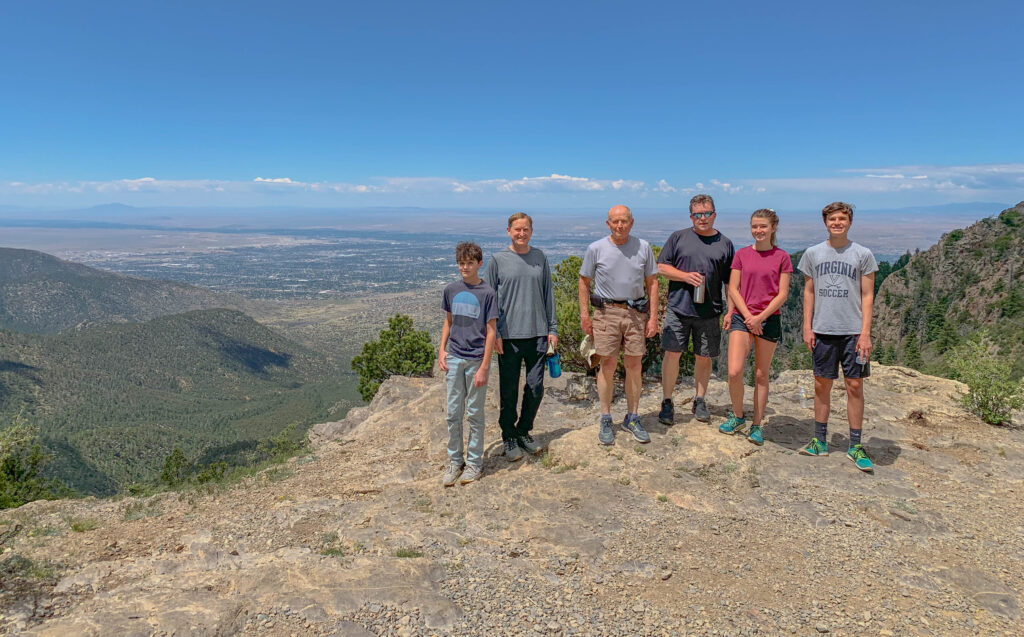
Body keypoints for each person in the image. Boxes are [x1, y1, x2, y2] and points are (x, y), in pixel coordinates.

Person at [797, 201, 876, 472]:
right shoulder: (813, 253)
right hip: (823, 329)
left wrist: (865, 333)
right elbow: (808, 291)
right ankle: (820, 440)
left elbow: (868, 295)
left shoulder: (863, 254)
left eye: (842, 218)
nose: (837, 223)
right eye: (833, 219)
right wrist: (807, 326)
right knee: (822, 384)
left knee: (854, 386)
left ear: (850, 222)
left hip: (853, 331)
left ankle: (855, 444)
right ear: (825, 222)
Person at [578, 205, 659, 445]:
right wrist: (585, 316)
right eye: (615, 221)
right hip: (606, 312)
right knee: (608, 364)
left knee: (634, 365)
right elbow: (584, 282)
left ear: (632, 223)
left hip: (636, 313)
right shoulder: (596, 248)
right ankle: (605, 417)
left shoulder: (643, 247)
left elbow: (652, 283)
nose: (620, 225)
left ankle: (632, 417)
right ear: (608, 224)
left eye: (624, 221)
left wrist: (653, 317)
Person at [485, 212, 558, 462]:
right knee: (508, 390)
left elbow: (549, 294)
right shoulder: (497, 260)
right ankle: (508, 435)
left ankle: (523, 431)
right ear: (508, 231)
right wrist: (493, 333)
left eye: (525, 229)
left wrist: (553, 329)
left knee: (536, 388)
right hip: (509, 336)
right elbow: (489, 299)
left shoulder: (540, 258)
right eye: (517, 229)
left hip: (538, 333)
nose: (521, 233)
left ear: (531, 231)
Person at [657, 194, 734, 426]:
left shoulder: (725, 243)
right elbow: (661, 266)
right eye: (698, 214)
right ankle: (667, 401)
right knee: (672, 354)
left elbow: (730, 281)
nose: (703, 218)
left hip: (710, 311)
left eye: (707, 213)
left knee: (704, 356)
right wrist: (684, 276)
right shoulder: (678, 237)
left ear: (714, 215)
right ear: (691, 216)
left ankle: (699, 399)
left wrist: (730, 311)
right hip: (678, 308)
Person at [718, 209, 792, 445]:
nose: (758, 231)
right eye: (754, 226)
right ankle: (738, 415)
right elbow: (733, 288)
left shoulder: (782, 257)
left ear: (773, 228)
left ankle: (757, 424)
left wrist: (760, 318)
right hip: (743, 316)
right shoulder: (741, 255)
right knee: (734, 371)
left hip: (768, 319)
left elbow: (782, 294)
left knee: (761, 374)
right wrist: (750, 316)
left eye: (763, 226)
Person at [438, 242, 498, 486]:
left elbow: (491, 331)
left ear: (479, 264)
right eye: (461, 263)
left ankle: (474, 464)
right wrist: (441, 350)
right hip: (454, 356)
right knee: (453, 413)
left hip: (475, 360)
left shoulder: (487, 293)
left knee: (474, 413)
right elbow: (448, 321)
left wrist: (484, 366)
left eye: (470, 263)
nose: (465, 267)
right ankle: (455, 461)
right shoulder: (451, 290)